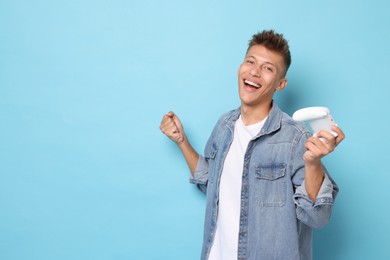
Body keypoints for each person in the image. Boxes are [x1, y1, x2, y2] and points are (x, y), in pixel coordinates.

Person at [159, 29, 345, 260]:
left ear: (280, 83)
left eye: (268, 68)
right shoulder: (224, 125)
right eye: (251, 62)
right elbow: (211, 183)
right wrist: (182, 141)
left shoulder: (294, 138)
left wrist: (313, 163)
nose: (255, 72)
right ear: (240, 67)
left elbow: (318, 216)